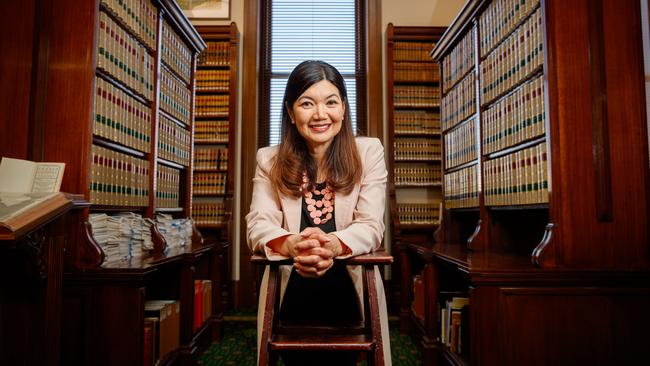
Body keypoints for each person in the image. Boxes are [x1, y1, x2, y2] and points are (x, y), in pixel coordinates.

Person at [246, 60, 391, 366]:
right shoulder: (269, 160)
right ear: (290, 111)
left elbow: (371, 225)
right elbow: (259, 224)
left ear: (344, 108)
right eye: (307, 103)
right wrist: (292, 245)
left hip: (351, 293)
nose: (320, 114)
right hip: (289, 294)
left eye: (331, 102)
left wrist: (330, 245)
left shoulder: (369, 153)